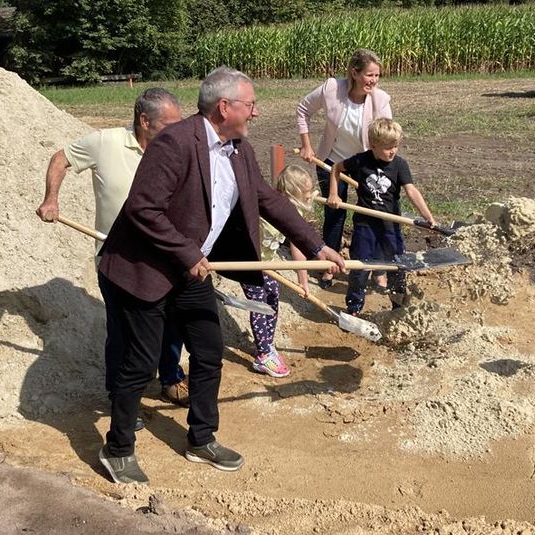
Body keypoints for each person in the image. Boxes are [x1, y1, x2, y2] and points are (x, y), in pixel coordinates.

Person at [95, 67, 345, 484]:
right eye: (251, 104)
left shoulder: (239, 149)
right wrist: (187, 252)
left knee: (208, 353)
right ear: (224, 107)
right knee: (140, 364)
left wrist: (317, 246)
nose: (256, 112)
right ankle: (117, 448)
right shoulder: (175, 143)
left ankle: (201, 439)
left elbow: (268, 200)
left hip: (190, 272)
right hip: (145, 269)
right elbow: (142, 208)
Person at [36, 89, 191, 416]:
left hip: (164, 255)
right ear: (144, 121)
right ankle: (119, 394)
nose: (177, 131)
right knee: (123, 331)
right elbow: (61, 159)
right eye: (169, 124)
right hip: (117, 259)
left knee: (172, 320)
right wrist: (51, 199)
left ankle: (170, 377)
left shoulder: (175, 149)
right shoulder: (105, 143)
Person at [296, 48, 392, 290]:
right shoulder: (332, 89)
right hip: (331, 162)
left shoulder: (380, 100)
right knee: (334, 214)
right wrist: (306, 145)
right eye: (369, 75)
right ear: (354, 73)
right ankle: (329, 265)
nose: (374, 80)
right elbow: (303, 109)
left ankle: (376, 268)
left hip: (364, 165)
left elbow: (388, 136)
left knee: (372, 214)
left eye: (377, 75)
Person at [328, 118, 436, 316]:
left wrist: (428, 216)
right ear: (373, 145)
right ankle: (354, 308)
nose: (392, 151)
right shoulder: (361, 161)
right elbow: (336, 168)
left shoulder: (399, 165)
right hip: (365, 225)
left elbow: (411, 191)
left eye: (395, 146)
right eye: (387, 147)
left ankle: (398, 306)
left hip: (390, 225)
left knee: (397, 265)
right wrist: (333, 194)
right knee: (360, 267)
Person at [241, 164, 316, 378]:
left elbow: (298, 245)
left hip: (268, 264)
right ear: (293, 193)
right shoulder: (266, 211)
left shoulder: (294, 212)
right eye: (307, 191)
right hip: (249, 262)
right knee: (259, 304)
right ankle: (263, 356)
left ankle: (268, 343)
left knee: (273, 296)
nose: (311, 195)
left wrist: (303, 282)